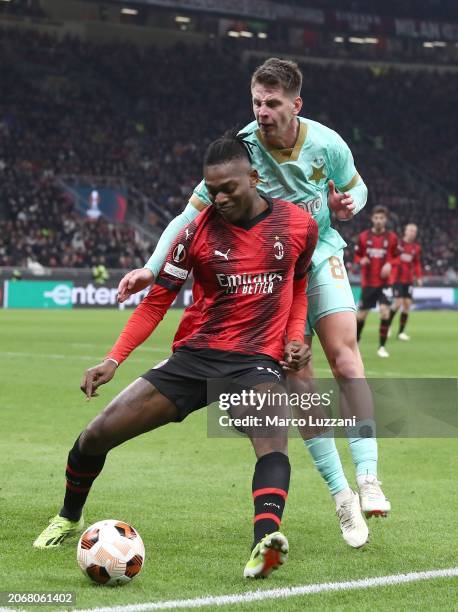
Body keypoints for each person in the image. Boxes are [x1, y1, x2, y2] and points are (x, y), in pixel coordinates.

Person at [117, 58, 391, 546]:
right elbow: (189, 214)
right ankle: (341, 494)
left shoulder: (328, 144)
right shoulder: (242, 148)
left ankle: (368, 476)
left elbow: (357, 188)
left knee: (346, 358)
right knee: (299, 380)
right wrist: (151, 266)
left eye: (272, 103)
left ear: (295, 105)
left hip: (320, 250)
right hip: (269, 271)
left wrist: (353, 205)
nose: (262, 112)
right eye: (256, 102)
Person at [33, 135, 318, 580]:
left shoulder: (298, 225)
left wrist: (295, 334)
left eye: (228, 188)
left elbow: (298, 284)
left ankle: (265, 541)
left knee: (271, 437)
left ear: (254, 178)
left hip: (254, 361)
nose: (219, 198)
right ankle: (69, 517)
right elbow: (155, 302)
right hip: (195, 358)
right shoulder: (195, 233)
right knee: (97, 433)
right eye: (212, 189)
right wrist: (114, 359)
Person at [355, 206, 398, 358]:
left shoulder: (392, 238)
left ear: (385, 220)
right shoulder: (363, 237)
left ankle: (381, 347)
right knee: (361, 316)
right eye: (376, 218)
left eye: (382, 218)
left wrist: (389, 264)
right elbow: (357, 256)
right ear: (372, 219)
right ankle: (356, 341)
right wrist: (362, 260)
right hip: (368, 283)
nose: (379, 221)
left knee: (385, 313)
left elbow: (397, 257)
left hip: (385, 283)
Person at [388, 223, 422, 340]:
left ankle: (401, 332)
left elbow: (416, 263)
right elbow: (390, 257)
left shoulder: (416, 248)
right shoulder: (398, 244)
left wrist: (418, 277)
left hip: (408, 280)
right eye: (411, 230)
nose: (413, 233)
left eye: (414, 231)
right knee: (397, 303)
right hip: (397, 279)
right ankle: (387, 326)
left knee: (407, 305)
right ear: (405, 231)